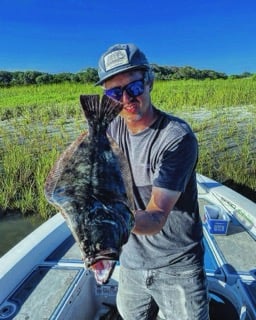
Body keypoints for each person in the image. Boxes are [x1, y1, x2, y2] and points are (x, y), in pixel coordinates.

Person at [95, 43, 209, 320]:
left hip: (177, 264)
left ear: (149, 81)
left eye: (133, 87)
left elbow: (156, 216)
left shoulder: (175, 138)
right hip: (131, 259)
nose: (126, 98)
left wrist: (107, 219)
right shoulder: (108, 130)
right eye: (114, 92)